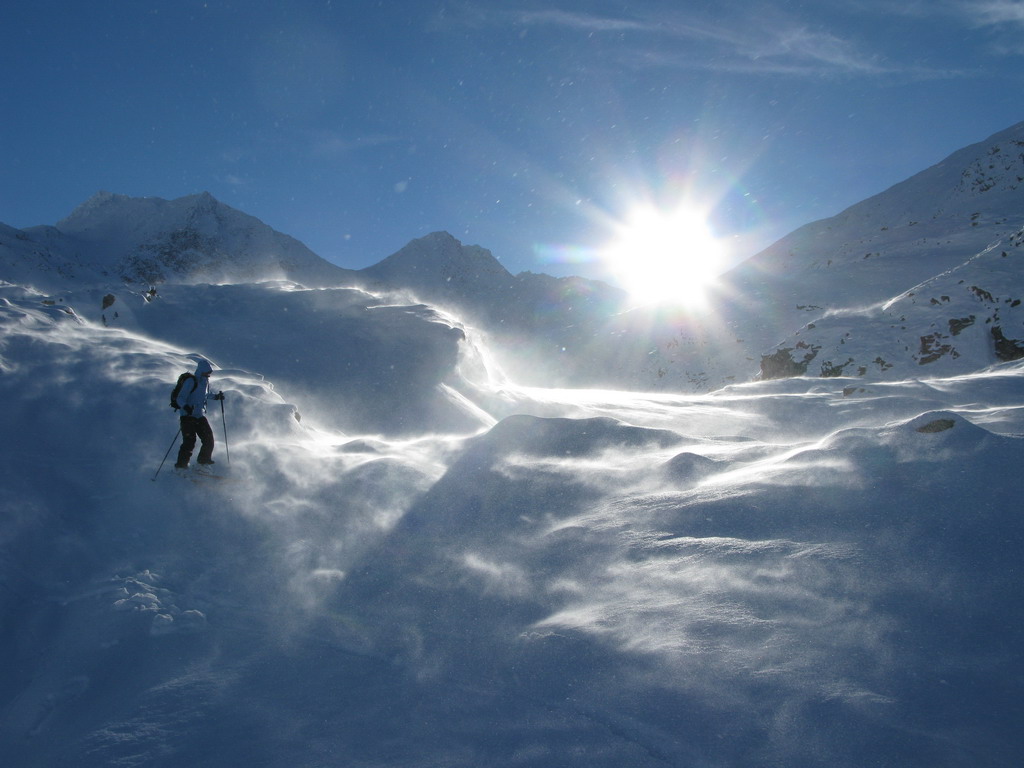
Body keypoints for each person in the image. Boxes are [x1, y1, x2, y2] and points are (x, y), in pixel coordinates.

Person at [174, 358, 224, 469]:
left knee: (208, 439)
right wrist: (186, 407)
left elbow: (205, 395)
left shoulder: (205, 382)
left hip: (199, 415)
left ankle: (203, 462)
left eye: (209, 372)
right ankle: (181, 466)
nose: (208, 375)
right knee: (189, 441)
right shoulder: (191, 381)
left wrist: (216, 397)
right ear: (201, 370)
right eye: (207, 372)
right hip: (187, 416)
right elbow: (180, 398)